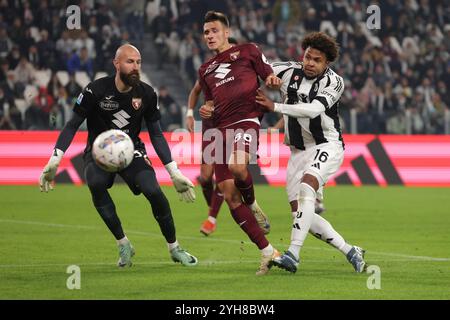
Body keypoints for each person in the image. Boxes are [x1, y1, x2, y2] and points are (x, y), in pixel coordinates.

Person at [39, 44, 198, 268]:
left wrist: (174, 172)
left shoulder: (147, 94)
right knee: (95, 183)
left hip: (131, 150)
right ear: (116, 64)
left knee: (153, 190)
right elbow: (71, 125)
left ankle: (174, 248)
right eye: (130, 62)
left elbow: (156, 135)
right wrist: (55, 159)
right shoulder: (94, 91)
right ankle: (123, 244)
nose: (135, 67)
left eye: (139, 62)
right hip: (98, 152)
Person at [256, 32, 366, 273]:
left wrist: (274, 106)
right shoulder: (287, 71)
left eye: (317, 60)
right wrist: (268, 78)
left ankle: (292, 255)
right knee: (301, 214)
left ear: (326, 63)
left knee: (308, 188)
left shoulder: (334, 82)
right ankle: (350, 250)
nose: (310, 63)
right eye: (307, 57)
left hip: (326, 145)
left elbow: (313, 110)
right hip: (296, 152)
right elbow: (257, 65)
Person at [197, 11, 282, 275]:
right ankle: (268, 252)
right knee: (230, 196)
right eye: (206, 33)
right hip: (220, 129)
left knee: (237, 168)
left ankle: (254, 205)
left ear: (226, 31)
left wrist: (271, 79)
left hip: (246, 120)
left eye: (214, 30)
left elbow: (268, 73)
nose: (209, 36)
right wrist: (205, 109)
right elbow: (210, 101)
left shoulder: (248, 51)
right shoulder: (205, 70)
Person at [268, 118, 326, 215]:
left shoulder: (313, 105)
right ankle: (313, 206)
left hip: (313, 147)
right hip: (295, 151)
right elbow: (287, 114)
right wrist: (275, 128)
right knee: (295, 209)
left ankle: (315, 203)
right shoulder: (291, 106)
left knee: (311, 179)